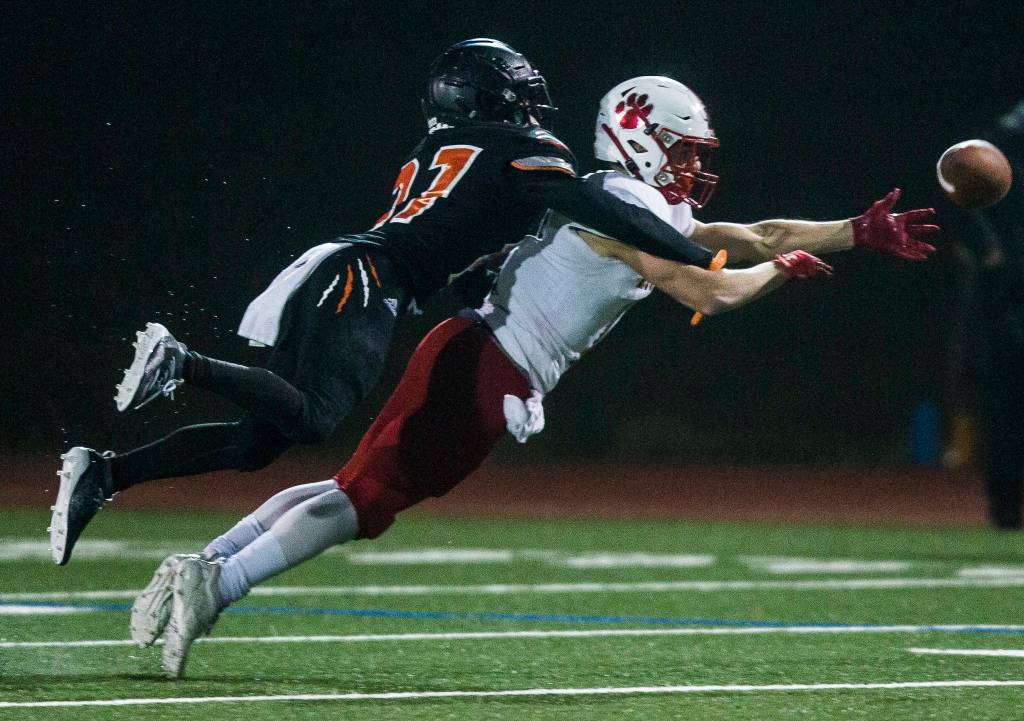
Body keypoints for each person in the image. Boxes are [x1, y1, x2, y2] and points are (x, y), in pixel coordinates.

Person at [128, 76, 939, 678]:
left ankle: (207, 563)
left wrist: (852, 232)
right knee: (365, 503)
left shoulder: (629, 200)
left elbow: (752, 231)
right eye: (685, 151)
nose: (693, 169)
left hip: (472, 351)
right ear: (640, 137)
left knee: (351, 485)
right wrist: (783, 275)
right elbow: (710, 287)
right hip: (491, 370)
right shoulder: (621, 208)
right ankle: (219, 583)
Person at [49, 40, 727, 566]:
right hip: (370, 279)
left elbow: (459, 232)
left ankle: (105, 472)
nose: (530, 110)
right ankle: (183, 361)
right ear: (490, 98)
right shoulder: (525, 149)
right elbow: (597, 205)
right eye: (517, 95)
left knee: (255, 443)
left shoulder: (440, 144)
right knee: (314, 417)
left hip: (342, 264)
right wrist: (697, 258)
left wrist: (479, 275)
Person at [945, 99, 1024, 528]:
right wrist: (989, 250)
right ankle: (1005, 510)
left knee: (1004, 403)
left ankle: (1005, 510)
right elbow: (960, 186)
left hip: (1002, 285)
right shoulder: (995, 155)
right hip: (1006, 288)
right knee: (1003, 402)